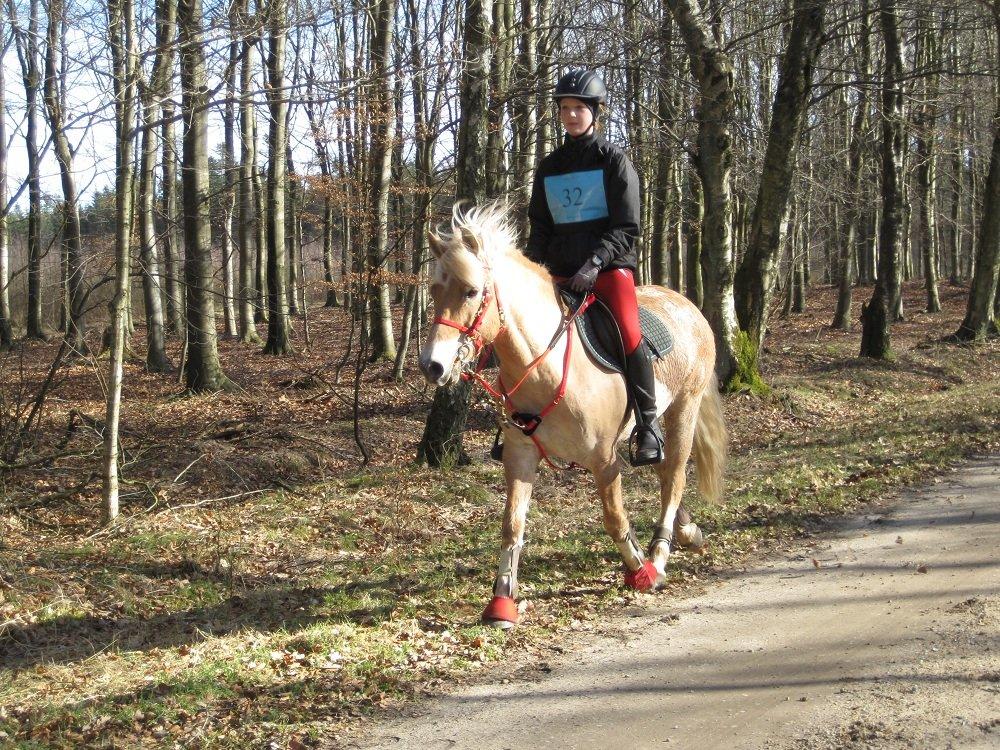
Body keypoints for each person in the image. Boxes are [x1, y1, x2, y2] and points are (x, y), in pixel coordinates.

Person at [525, 68, 663, 466]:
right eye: (565, 108)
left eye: (578, 108)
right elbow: (541, 226)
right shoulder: (549, 167)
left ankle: (648, 426)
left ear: (595, 112)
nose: (570, 115)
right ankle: (516, 424)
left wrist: (596, 262)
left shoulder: (614, 161)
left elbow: (626, 226)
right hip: (560, 271)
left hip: (607, 270)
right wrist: (532, 268)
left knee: (628, 332)